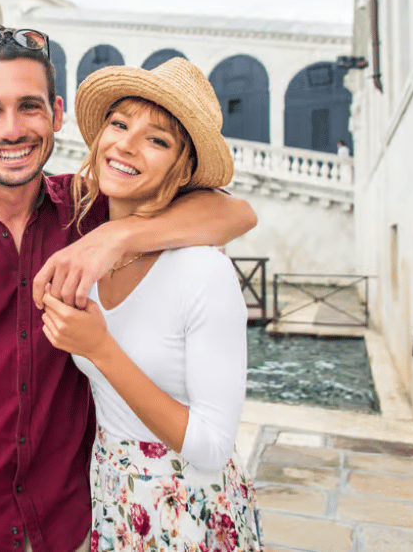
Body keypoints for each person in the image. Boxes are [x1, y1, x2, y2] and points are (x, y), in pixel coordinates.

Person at [0, 28, 257, 552]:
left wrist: (113, 237)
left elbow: (235, 211)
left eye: (29, 107)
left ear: (56, 114)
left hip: (80, 524)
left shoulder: (92, 210)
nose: (12, 130)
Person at [40, 58, 262, 551]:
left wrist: (100, 350)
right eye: (119, 124)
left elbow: (211, 446)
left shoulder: (202, 271)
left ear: (183, 169)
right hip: (113, 499)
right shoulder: (87, 254)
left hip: (187, 509)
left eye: (157, 140)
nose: (126, 143)